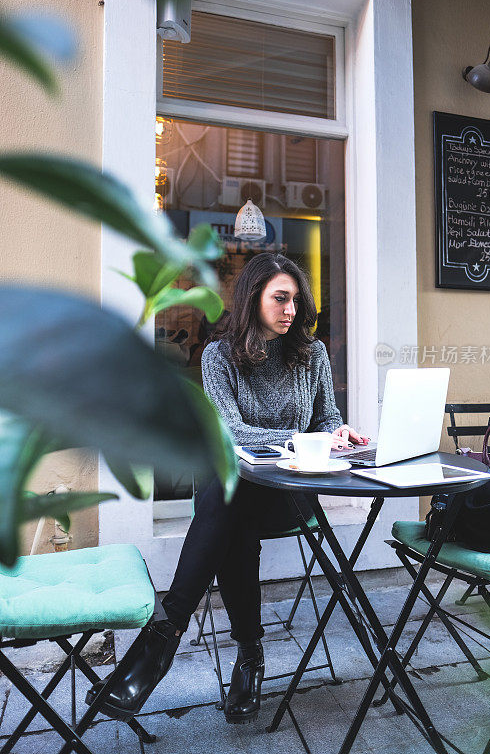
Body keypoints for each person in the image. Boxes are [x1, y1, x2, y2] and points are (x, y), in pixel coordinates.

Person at [86, 252, 368, 724]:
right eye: (280, 298)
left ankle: (165, 640)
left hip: (291, 493)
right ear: (252, 298)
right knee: (229, 498)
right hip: (239, 493)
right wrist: (302, 439)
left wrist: (338, 433)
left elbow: (326, 419)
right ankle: (249, 658)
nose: (290, 310)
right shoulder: (220, 356)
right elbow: (230, 433)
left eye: (296, 300)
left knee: (224, 500)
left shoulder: (311, 354)